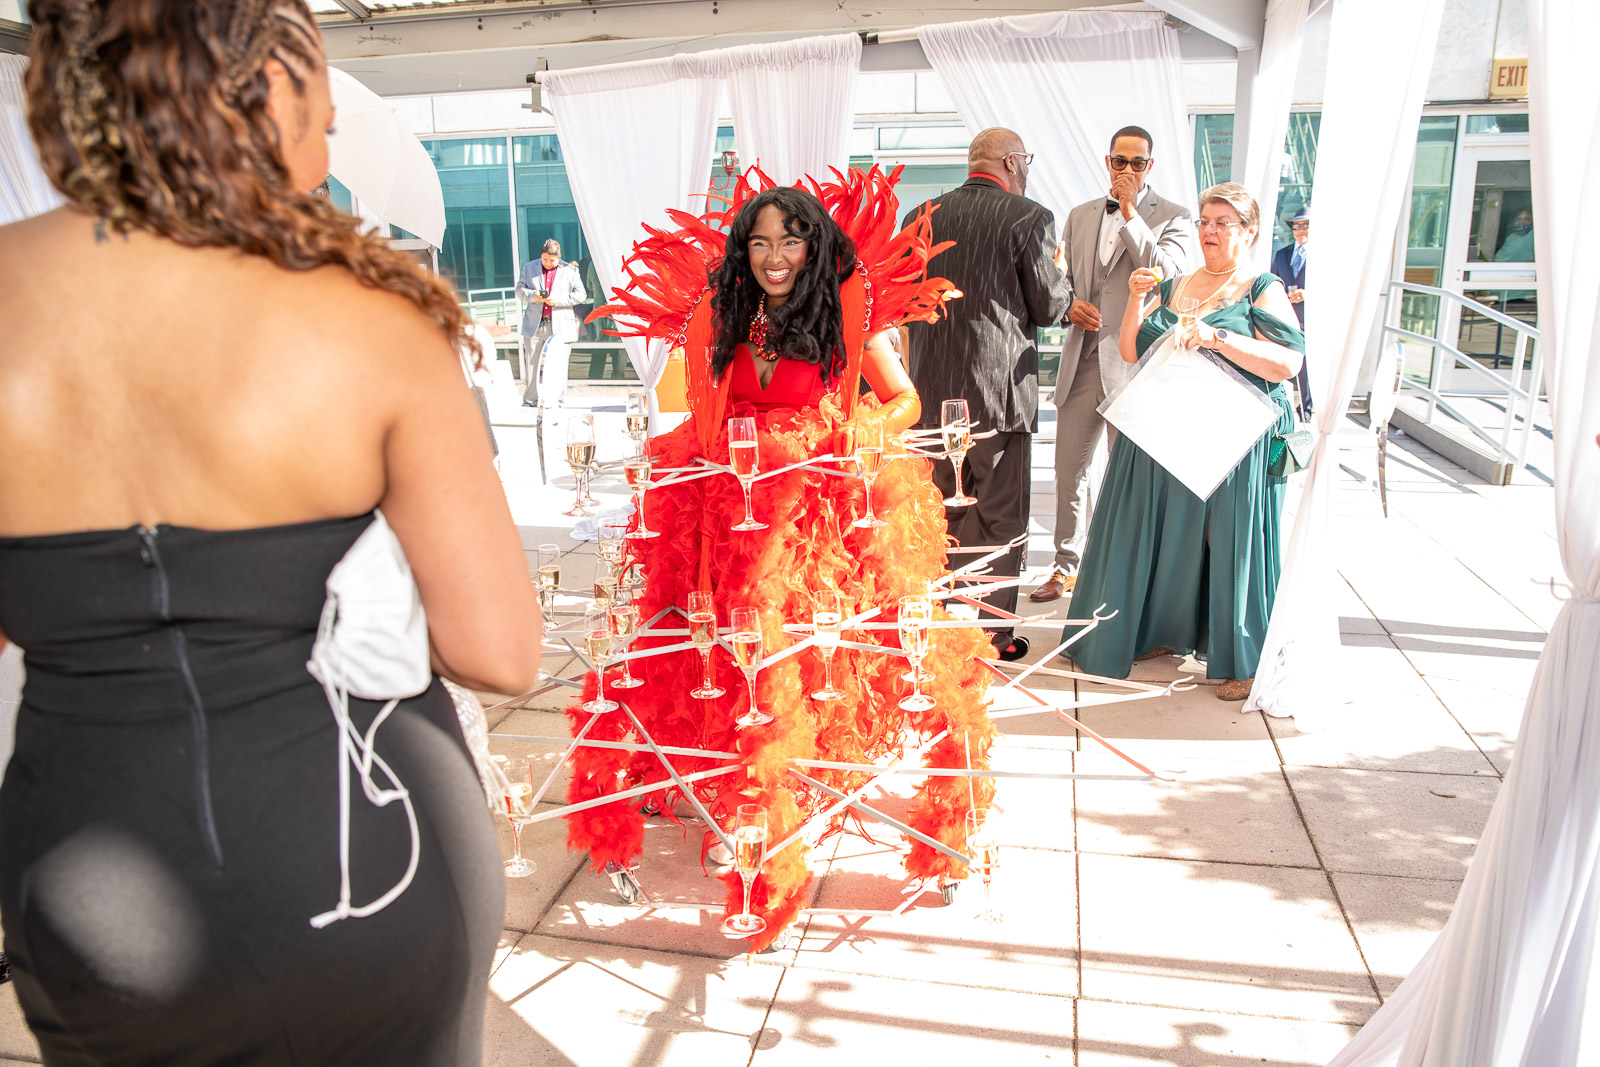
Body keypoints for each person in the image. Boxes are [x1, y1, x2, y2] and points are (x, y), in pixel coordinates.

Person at [0, 1, 541, 1062]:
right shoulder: (369, 316)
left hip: (88, 886)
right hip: (366, 857)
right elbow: (501, 650)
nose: (322, 159)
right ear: (267, 92)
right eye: (323, 126)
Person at [565, 169, 996, 952]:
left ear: (812, 247)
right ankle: (727, 797)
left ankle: (936, 818)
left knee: (875, 650)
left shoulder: (848, 312)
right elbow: (698, 407)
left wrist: (862, 429)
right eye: (759, 242)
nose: (773, 256)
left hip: (821, 513)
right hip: (730, 517)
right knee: (716, 653)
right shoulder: (724, 313)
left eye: (789, 241)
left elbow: (904, 401)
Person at [1066, 183, 1304, 702]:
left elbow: (1289, 363)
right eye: (1204, 221)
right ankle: (1158, 630)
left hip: (1237, 433)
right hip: (1172, 427)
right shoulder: (1177, 284)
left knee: (1230, 538)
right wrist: (1136, 298)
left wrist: (1218, 337)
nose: (1210, 231)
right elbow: (1130, 350)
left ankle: (1245, 660)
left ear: (1250, 231)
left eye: (1223, 223)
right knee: (1168, 530)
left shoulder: (1261, 287)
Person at [902, 128, 1072, 659]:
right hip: (997, 397)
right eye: (1027, 160)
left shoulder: (920, 216)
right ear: (1012, 162)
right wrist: (1064, 278)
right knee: (1001, 515)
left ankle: (934, 623)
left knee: (939, 512)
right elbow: (1049, 306)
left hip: (929, 395)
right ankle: (992, 634)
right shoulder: (1028, 217)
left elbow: (905, 302)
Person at [1032, 124, 1197, 605]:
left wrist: (1129, 213)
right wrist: (1069, 307)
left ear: (1150, 166)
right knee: (1069, 472)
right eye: (1119, 161)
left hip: (1134, 363)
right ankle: (1064, 566)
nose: (1127, 170)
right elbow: (1064, 280)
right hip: (1081, 357)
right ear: (1108, 162)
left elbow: (1167, 273)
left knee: (1125, 478)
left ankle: (1119, 572)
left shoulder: (1175, 216)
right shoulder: (1080, 214)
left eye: (1137, 163)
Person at [517, 237, 587, 409]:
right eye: (545, 259)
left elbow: (581, 295)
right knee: (532, 364)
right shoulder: (529, 267)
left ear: (559, 258)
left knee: (559, 364)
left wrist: (558, 301)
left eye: (552, 260)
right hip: (535, 324)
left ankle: (558, 400)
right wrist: (533, 296)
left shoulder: (570, 270)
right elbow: (519, 290)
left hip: (560, 325)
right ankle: (530, 399)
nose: (548, 263)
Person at [1269, 205, 1314, 419]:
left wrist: (1309, 294)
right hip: (1285, 317)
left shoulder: (1323, 257)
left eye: (1306, 226)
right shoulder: (1282, 255)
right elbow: (1272, 282)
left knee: (1307, 367)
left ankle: (1307, 409)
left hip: (1310, 318)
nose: (1301, 230)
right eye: (1297, 226)